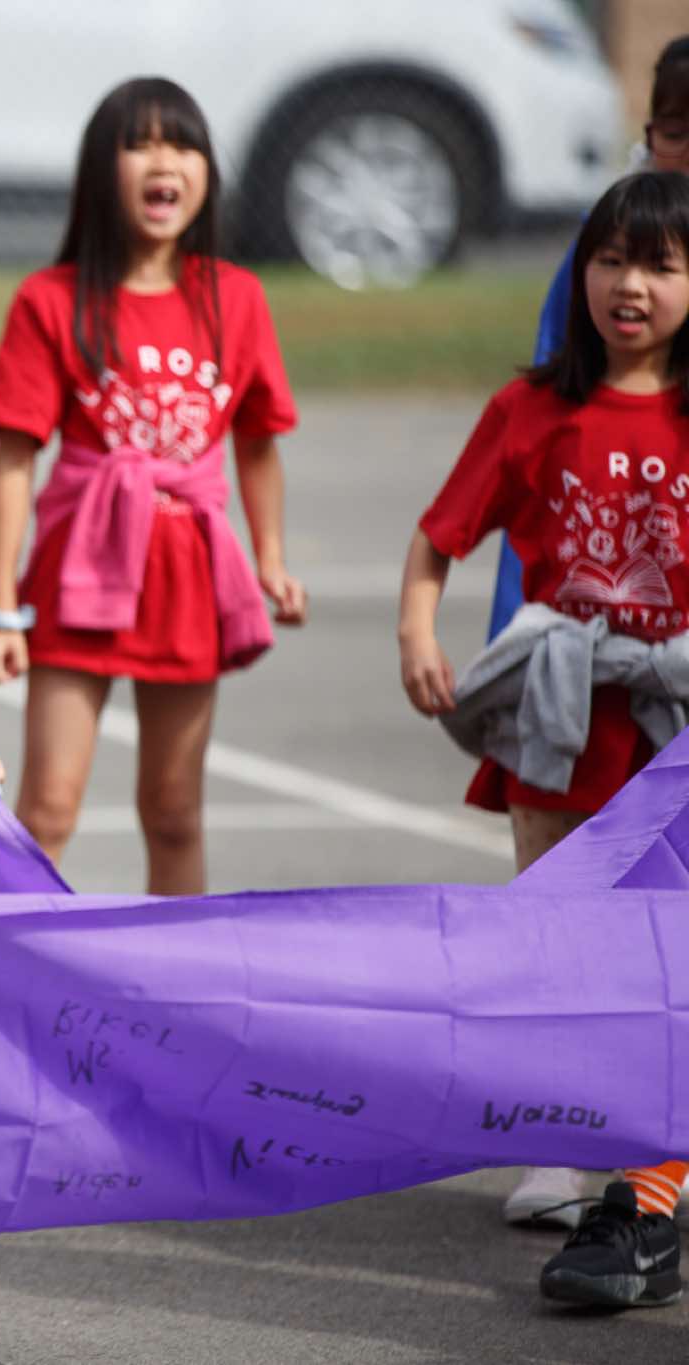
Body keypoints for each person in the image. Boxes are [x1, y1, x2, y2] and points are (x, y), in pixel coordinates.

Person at [401, 170, 689, 1314]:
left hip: (672, 720)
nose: (628, 285)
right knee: (557, 940)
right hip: (559, 716)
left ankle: (649, 1177)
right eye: (608, 260)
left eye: (658, 266)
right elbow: (437, 538)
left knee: (665, 956)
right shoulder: (528, 408)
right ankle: (569, 1148)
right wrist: (416, 633)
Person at [0, 77, 305, 897]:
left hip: (190, 575)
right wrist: (1, 605)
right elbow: (14, 460)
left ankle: (175, 972)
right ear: (101, 170)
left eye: (183, 145)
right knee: (48, 807)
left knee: (174, 810)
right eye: (141, 145)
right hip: (81, 569)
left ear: (207, 172)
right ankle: (14, 962)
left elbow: (258, 442)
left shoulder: (238, 297)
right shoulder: (50, 299)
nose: (165, 163)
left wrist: (269, 558)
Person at [493, 32, 689, 1236]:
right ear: (647, 132)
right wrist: (512, 648)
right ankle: (562, 1139)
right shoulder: (606, 255)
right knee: (562, 900)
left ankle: (652, 1157)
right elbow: (531, 459)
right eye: (678, 130)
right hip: (579, 664)